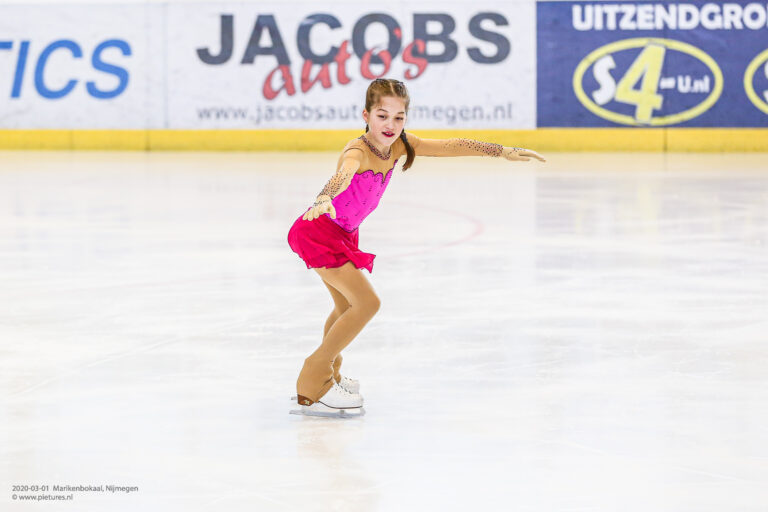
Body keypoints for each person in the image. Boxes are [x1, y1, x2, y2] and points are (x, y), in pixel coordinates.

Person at [287, 78, 545, 418]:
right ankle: (312, 380)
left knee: (345, 306)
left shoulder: (398, 146)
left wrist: (501, 151)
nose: (390, 125)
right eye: (382, 116)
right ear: (366, 115)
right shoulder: (358, 150)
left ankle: (330, 373)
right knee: (367, 303)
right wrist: (324, 196)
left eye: (399, 117)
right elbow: (344, 175)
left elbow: (451, 145)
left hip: (343, 233)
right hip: (319, 230)